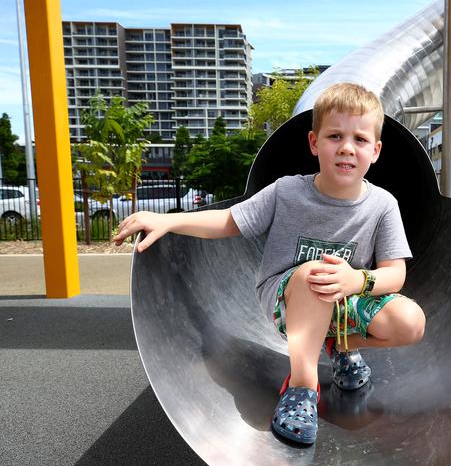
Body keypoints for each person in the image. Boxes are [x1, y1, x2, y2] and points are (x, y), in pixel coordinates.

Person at [114, 83, 426, 446]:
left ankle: (339, 346)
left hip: (344, 297)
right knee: (313, 274)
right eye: (335, 136)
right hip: (287, 300)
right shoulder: (287, 191)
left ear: (375, 151)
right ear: (314, 143)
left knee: (411, 322)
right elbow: (230, 221)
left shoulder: (382, 205)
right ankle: (302, 387)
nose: (346, 147)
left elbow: (395, 273)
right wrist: (170, 221)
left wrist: (356, 279)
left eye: (359, 139)